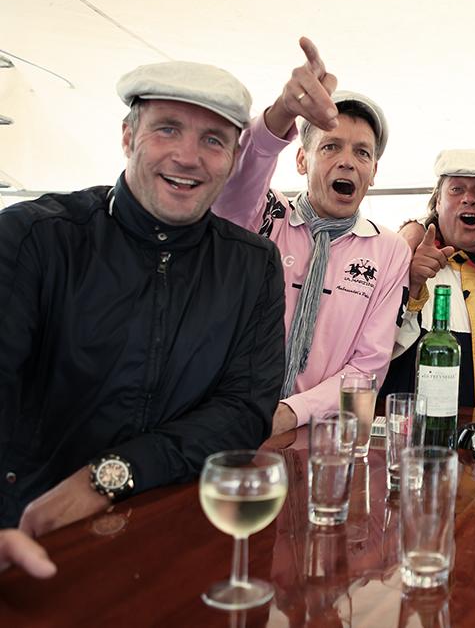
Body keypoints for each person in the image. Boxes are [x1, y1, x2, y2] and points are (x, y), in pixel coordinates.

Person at [0, 62, 286, 534]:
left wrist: (110, 475)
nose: (188, 157)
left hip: (174, 525)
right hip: (33, 529)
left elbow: (244, 410)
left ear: (234, 158)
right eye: (167, 129)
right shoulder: (34, 238)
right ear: (128, 136)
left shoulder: (253, 265)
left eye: (213, 140)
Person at [213, 38, 411, 436]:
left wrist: (290, 412)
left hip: (320, 435)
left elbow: (368, 368)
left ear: (374, 172)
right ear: (302, 160)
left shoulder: (389, 251)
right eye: (331, 146)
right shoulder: (266, 214)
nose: (347, 162)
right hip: (226, 420)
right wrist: (282, 113)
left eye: (362, 153)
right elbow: (232, 191)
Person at [381, 149, 475, 413]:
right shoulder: (405, 258)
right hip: (425, 432)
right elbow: (377, 350)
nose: (469, 199)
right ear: (437, 203)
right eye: (456, 189)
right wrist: (412, 282)